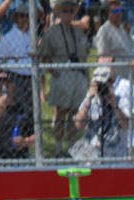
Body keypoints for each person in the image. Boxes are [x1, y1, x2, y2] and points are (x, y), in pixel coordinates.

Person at [39, 0, 89, 156]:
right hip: (61, 74)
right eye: (65, 11)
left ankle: (72, 146)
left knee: (74, 112)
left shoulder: (79, 32)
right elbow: (44, 56)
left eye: (71, 11)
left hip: (78, 74)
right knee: (61, 112)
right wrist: (54, 72)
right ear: (59, 13)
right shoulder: (51, 32)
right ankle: (59, 147)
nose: (68, 14)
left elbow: (85, 55)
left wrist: (85, 77)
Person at [73, 66, 134, 158]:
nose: (101, 88)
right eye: (98, 85)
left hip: (116, 156)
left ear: (111, 84)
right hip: (93, 156)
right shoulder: (89, 102)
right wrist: (88, 100)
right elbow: (79, 125)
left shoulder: (122, 101)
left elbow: (128, 126)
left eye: (104, 84)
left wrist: (115, 106)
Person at [94, 0, 134, 89]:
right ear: (108, 13)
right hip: (118, 68)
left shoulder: (122, 29)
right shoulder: (104, 30)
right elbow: (102, 56)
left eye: (120, 10)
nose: (118, 13)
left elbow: (130, 49)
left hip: (131, 65)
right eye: (115, 11)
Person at [0, 70, 35, 159]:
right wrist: (0, 109)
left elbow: (36, 134)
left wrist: (25, 141)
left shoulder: (23, 107)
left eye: (7, 83)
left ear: (13, 86)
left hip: (20, 158)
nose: (3, 85)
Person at [0, 6, 34, 114]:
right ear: (16, 17)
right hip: (14, 77)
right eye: (22, 16)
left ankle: (31, 124)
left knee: (31, 110)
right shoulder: (9, 37)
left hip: (31, 77)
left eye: (27, 16)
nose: (25, 18)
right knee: (16, 109)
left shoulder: (33, 36)